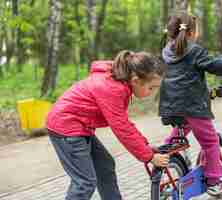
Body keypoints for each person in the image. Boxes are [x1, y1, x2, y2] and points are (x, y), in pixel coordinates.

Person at [47, 50, 169, 200]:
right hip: (66, 128)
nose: (152, 92)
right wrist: (149, 156)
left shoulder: (119, 82)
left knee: (105, 166)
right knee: (85, 183)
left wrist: (146, 147)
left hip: (79, 126)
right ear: (136, 80)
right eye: (151, 88)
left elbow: (124, 124)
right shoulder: (112, 88)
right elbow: (122, 129)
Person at [159, 12, 222, 195]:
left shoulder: (166, 51)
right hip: (193, 107)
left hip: (170, 108)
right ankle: (215, 181)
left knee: (177, 137)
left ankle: (164, 158)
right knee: (210, 141)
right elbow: (216, 67)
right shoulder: (195, 50)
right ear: (191, 32)